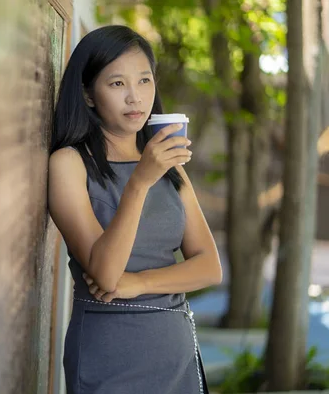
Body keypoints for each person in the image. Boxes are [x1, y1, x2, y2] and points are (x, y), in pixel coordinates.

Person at [48, 25, 222, 394]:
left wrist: (139, 283)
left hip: (175, 352)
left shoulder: (167, 163)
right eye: (117, 84)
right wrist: (140, 182)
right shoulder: (70, 163)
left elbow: (209, 267)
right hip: (110, 352)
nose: (134, 98)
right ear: (88, 95)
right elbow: (106, 275)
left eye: (144, 81)